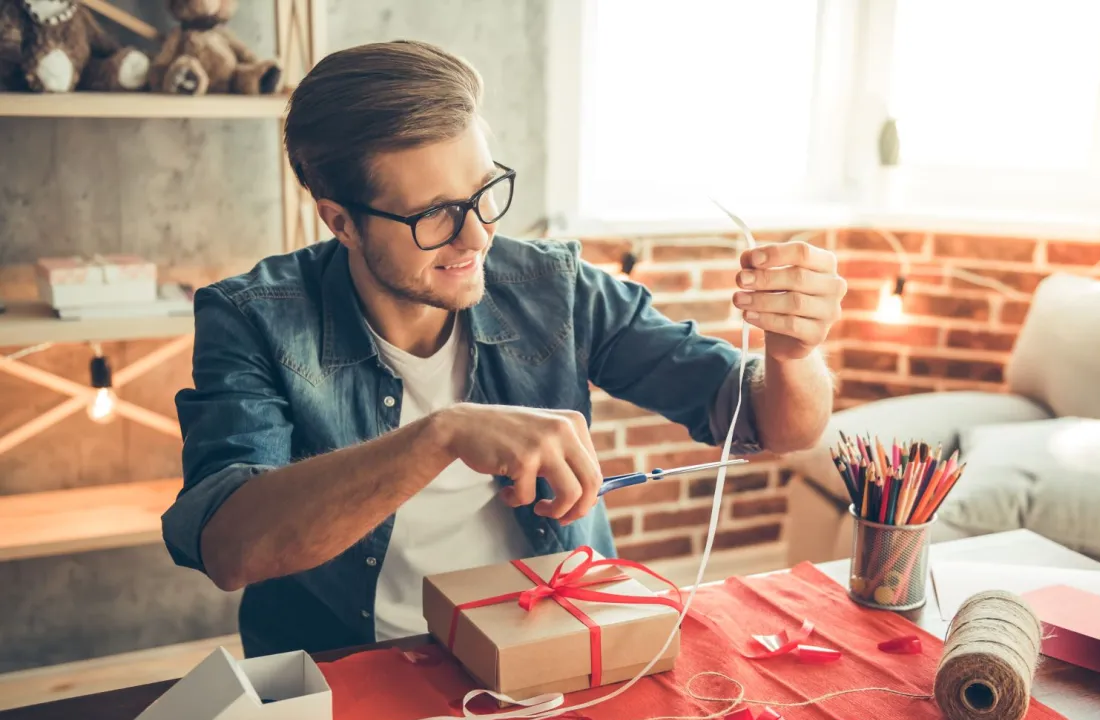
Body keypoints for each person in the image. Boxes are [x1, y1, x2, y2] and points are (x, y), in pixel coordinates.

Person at [161, 40, 846, 658]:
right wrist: (441, 435)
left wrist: (794, 353)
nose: (478, 236)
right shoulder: (252, 317)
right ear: (340, 220)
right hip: (355, 672)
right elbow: (230, 545)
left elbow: (776, 426)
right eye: (434, 214)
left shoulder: (552, 285)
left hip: (557, 645)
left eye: (485, 193)